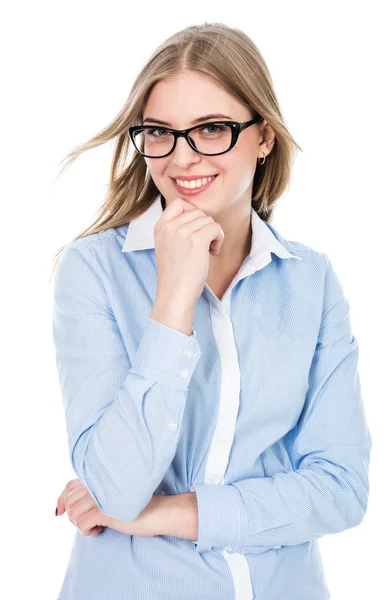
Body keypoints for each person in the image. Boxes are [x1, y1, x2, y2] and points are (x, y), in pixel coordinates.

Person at [50, 22, 372, 600]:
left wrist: (166, 515)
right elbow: (117, 490)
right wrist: (173, 297)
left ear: (264, 137)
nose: (182, 157)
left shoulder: (311, 281)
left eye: (212, 129)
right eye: (160, 133)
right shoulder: (93, 271)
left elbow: (341, 489)